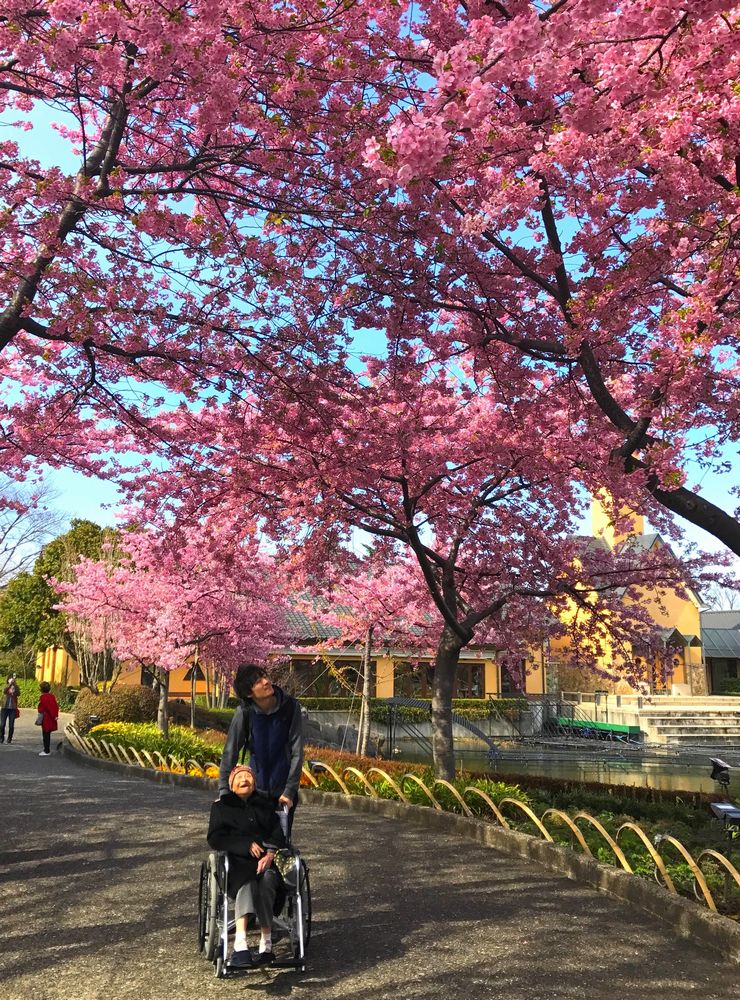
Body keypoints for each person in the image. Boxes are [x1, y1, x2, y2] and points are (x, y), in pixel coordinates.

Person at [207, 764, 286, 968]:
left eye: (248, 776)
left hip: (265, 862)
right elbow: (215, 838)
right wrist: (244, 845)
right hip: (236, 863)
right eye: (239, 777)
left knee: (269, 880)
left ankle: (266, 944)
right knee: (247, 882)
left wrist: (270, 854)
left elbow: (278, 833)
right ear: (232, 784)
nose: (244, 780)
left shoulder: (264, 806)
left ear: (254, 783)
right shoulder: (222, 807)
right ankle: (240, 944)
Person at [219, 665, 303, 833]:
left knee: (280, 846)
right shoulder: (245, 712)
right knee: (254, 845)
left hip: (282, 791)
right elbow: (230, 753)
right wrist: (224, 792)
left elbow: (297, 751)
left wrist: (289, 790)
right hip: (253, 792)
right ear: (249, 693)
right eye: (258, 681)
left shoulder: (291, 707)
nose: (266, 682)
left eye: (264, 676)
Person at [37, 681, 59, 756]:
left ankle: (46, 750)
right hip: (51, 717)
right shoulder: (52, 696)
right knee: (48, 733)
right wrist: (55, 715)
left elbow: (42, 708)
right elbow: (55, 707)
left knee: (45, 734)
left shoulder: (43, 697)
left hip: (46, 717)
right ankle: (46, 749)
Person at [0, 674, 20, 744]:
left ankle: (9, 738)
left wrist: (15, 685)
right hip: (4, 707)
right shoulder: (5, 686)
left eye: (13, 679)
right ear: (8, 679)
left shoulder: (16, 686)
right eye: (10, 679)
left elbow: (18, 693)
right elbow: (4, 691)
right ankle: (1, 737)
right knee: (2, 724)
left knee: (11, 725)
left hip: (12, 708)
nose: (12, 680)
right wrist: (9, 684)